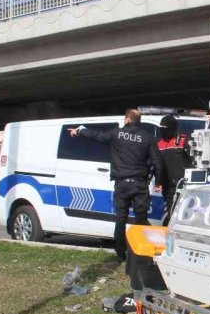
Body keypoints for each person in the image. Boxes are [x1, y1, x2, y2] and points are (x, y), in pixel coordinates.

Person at [69, 109, 162, 260]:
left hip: (122, 184)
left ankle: (120, 252)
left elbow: (96, 135)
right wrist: (158, 182)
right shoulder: (147, 137)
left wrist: (79, 132)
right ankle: (141, 252)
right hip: (139, 184)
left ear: (127, 119)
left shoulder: (116, 133)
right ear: (139, 120)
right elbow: (158, 161)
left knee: (121, 218)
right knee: (141, 219)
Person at [156, 114, 192, 226]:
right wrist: (158, 182)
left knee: (176, 216)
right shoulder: (159, 143)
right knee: (170, 214)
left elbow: (194, 161)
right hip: (167, 186)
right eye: (161, 129)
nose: (163, 132)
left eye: (165, 129)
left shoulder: (183, 140)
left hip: (182, 186)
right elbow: (158, 165)